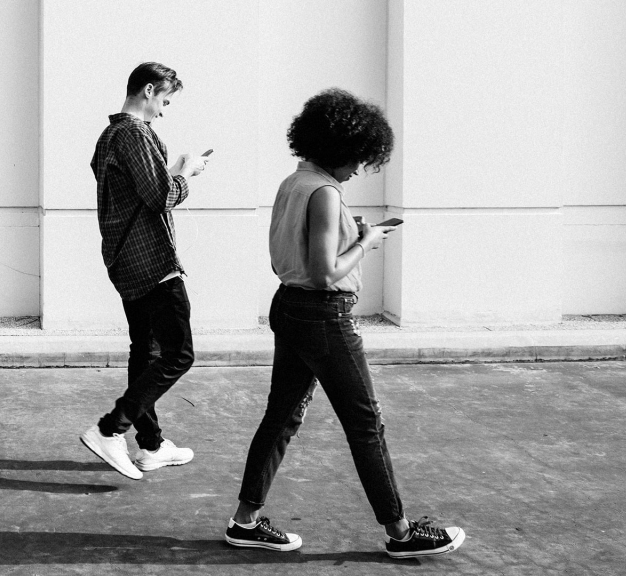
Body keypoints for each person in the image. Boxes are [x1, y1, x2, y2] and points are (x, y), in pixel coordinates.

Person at [223, 88, 466, 558]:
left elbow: (287, 257)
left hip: (289, 308)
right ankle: (401, 533)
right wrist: (367, 241)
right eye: (357, 158)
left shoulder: (294, 183)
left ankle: (245, 521)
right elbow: (324, 273)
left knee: (282, 417)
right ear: (340, 148)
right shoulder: (326, 193)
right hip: (324, 316)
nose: (358, 169)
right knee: (365, 424)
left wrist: (348, 230)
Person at [79, 62, 210, 480]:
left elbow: (135, 193)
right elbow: (159, 198)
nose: (164, 110)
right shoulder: (135, 133)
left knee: (145, 352)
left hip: (126, 260)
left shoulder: (109, 136)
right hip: (152, 260)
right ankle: (109, 429)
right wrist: (186, 174)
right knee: (178, 354)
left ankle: (151, 445)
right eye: (165, 101)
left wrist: (169, 171)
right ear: (149, 90)